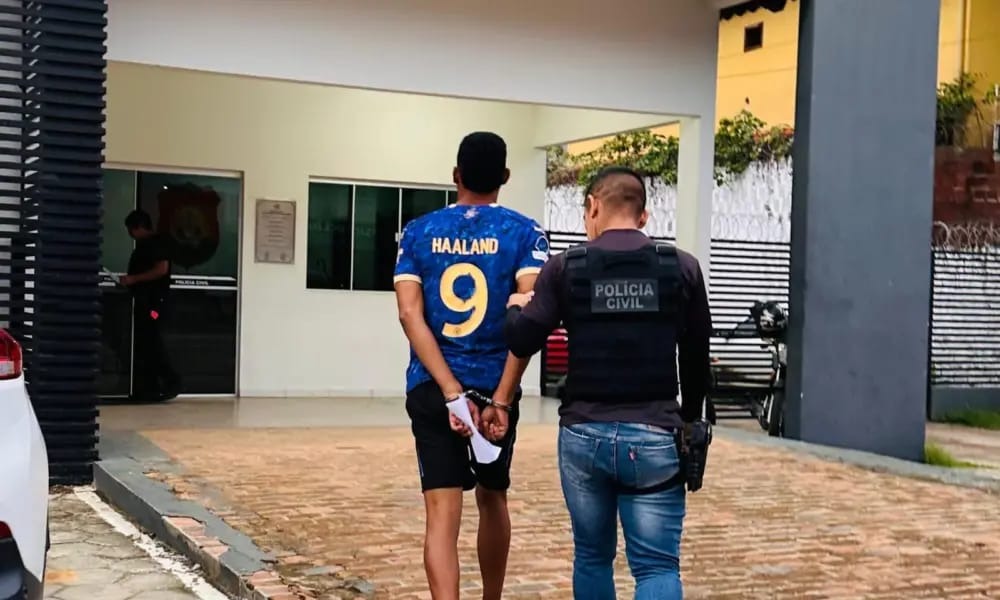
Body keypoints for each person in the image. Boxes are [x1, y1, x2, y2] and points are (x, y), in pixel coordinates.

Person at [501, 166, 713, 599]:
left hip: (584, 436)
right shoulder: (682, 267)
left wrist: (515, 306)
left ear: (593, 206)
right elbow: (696, 358)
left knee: (592, 557)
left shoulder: (566, 267)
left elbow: (521, 340)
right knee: (657, 567)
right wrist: (689, 423)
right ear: (643, 216)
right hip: (656, 435)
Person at [393, 131, 549, 600]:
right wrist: (501, 398)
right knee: (492, 495)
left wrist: (450, 392)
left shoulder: (417, 232)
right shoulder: (526, 233)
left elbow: (409, 314)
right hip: (496, 383)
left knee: (441, 515)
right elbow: (529, 314)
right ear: (505, 176)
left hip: (432, 386)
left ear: (455, 175)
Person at [121, 209, 181, 403]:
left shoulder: (157, 243)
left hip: (154, 304)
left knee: (153, 341)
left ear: (138, 227)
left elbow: (161, 269)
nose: (130, 234)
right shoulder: (144, 246)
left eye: (131, 229)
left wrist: (133, 279)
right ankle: (149, 388)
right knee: (145, 343)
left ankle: (171, 381)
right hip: (144, 301)